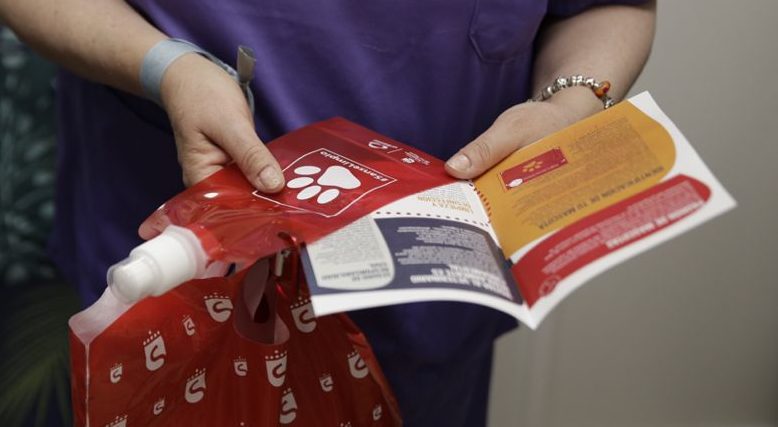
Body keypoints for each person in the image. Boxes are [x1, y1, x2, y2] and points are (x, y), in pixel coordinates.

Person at [0, 0, 656, 425]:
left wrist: (570, 105)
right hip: (180, 276)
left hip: (428, 287)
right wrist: (168, 69)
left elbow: (609, 5)